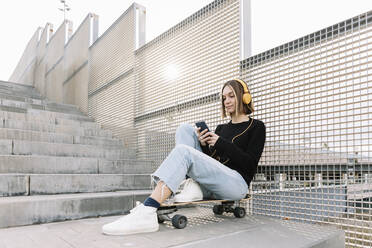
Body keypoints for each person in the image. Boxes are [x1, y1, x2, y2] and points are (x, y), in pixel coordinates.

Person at [102, 79, 266, 236]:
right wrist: (203, 145)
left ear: (244, 97)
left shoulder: (257, 127)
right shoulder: (221, 128)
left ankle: (148, 210)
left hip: (237, 184)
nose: (226, 101)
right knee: (184, 129)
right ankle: (192, 184)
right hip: (214, 183)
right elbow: (212, 162)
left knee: (184, 151)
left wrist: (220, 143)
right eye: (224, 98)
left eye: (231, 96)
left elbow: (249, 164)